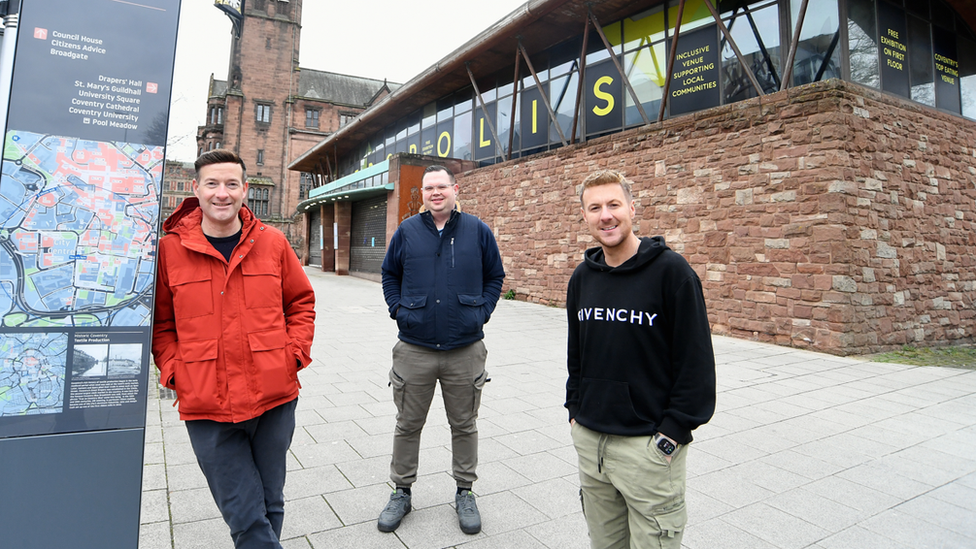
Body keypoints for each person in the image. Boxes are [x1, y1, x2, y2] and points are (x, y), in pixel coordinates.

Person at [152, 150, 315, 549]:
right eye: (212, 183)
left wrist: (291, 356)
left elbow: (300, 303)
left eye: (231, 184)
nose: (221, 193)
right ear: (196, 189)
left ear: (245, 190)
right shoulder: (170, 251)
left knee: (269, 502)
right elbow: (161, 324)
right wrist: (177, 371)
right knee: (245, 514)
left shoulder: (273, 242)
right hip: (207, 403)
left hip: (274, 399)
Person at [565, 169, 715, 549]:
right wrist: (575, 411)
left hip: (647, 449)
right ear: (585, 216)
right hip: (592, 444)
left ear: (632, 208)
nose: (606, 216)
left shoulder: (672, 273)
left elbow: (696, 366)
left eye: (614, 204)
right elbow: (576, 356)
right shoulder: (582, 278)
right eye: (595, 207)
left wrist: (671, 435)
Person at [377, 164, 505, 534]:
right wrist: (398, 310)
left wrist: (481, 312)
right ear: (423, 193)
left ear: (455, 189)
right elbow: (390, 274)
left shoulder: (477, 231)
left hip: (464, 348)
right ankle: (402, 491)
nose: (436, 193)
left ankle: (464, 491)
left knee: (464, 424)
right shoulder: (407, 231)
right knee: (407, 424)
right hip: (414, 347)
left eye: (442, 187)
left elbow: (495, 275)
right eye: (429, 188)